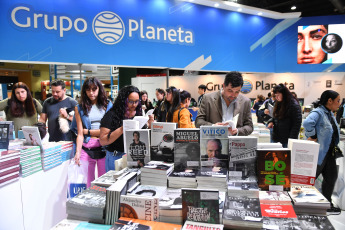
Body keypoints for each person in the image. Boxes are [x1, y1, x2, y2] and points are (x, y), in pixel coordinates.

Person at [303, 90, 342, 215]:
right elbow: (307, 122)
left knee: (331, 178)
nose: (339, 104)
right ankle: (302, 204)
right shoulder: (318, 112)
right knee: (310, 178)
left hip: (329, 153)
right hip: (320, 153)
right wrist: (312, 135)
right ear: (329, 101)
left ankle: (326, 204)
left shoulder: (329, 113)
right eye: (337, 101)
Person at [100, 85, 154, 171]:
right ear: (123, 100)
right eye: (131, 101)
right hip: (116, 156)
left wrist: (150, 124)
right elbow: (103, 141)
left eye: (137, 101)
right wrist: (122, 129)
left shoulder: (138, 113)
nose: (134, 105)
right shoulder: (112, 115)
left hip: (135, 156)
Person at [72, 77, 112, 187]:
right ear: (84, 91)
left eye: (94, 89)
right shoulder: (79, 108)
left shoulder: (107, 105)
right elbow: (80, 133)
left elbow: (109, 130)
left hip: (104, 147)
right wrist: (78, 152)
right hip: (86, 147)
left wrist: (88, 132)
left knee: (104, 183)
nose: (91, 93)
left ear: (99, 89)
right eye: (88, 89)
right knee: (87, 183)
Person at [195, 71, 253, 136]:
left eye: (237, 92)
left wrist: (237, 131)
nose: (233, 95)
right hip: (213, 141)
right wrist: (213, 127)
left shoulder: (245, 102)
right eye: (230, 90)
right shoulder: (208, 98)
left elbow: (249, 126)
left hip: (235, 143)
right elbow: (198, 122)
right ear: (223, 86)